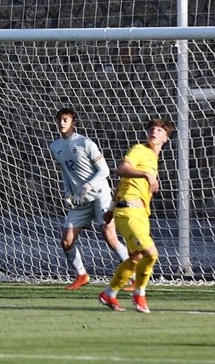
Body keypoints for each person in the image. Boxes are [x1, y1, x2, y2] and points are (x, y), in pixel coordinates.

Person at [49, 108, 131, 289]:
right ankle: (82, 275)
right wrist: (67, 192)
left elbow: (105, 170)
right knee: (66, 241)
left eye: (65, 120)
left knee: (108, 235)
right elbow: (65, 172)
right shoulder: (55, 147)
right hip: (79, 199)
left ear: (73, 123)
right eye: (59, 120)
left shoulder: (86, 143)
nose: (62, 123)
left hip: (99, 194)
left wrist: (86, 187)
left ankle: (132, 275)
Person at [98, 117, 172, 313]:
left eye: (160, 130)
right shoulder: (139, 150)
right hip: (129, 212)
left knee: (136, 259)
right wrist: (147, 176)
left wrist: (110, 210)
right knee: (151, 254)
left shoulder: (153, 159)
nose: (154, 132)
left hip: (139, 214)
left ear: (165, 138)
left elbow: (123, 184)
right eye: (152, 129)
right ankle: (139, 294)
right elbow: (121, 169)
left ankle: (109, 294)